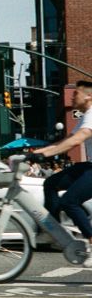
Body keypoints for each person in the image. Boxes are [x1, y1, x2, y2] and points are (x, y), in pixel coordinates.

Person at [33, 80, 92, 267]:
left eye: (76, 94)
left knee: (69, 201)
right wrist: (36, 153)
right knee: (50, 183)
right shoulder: (85, 116)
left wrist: (46, 153)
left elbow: (77, 140)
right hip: (89, 165)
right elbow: (66, 140)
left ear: (89, 96)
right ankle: (53, 231)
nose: (73, 97)